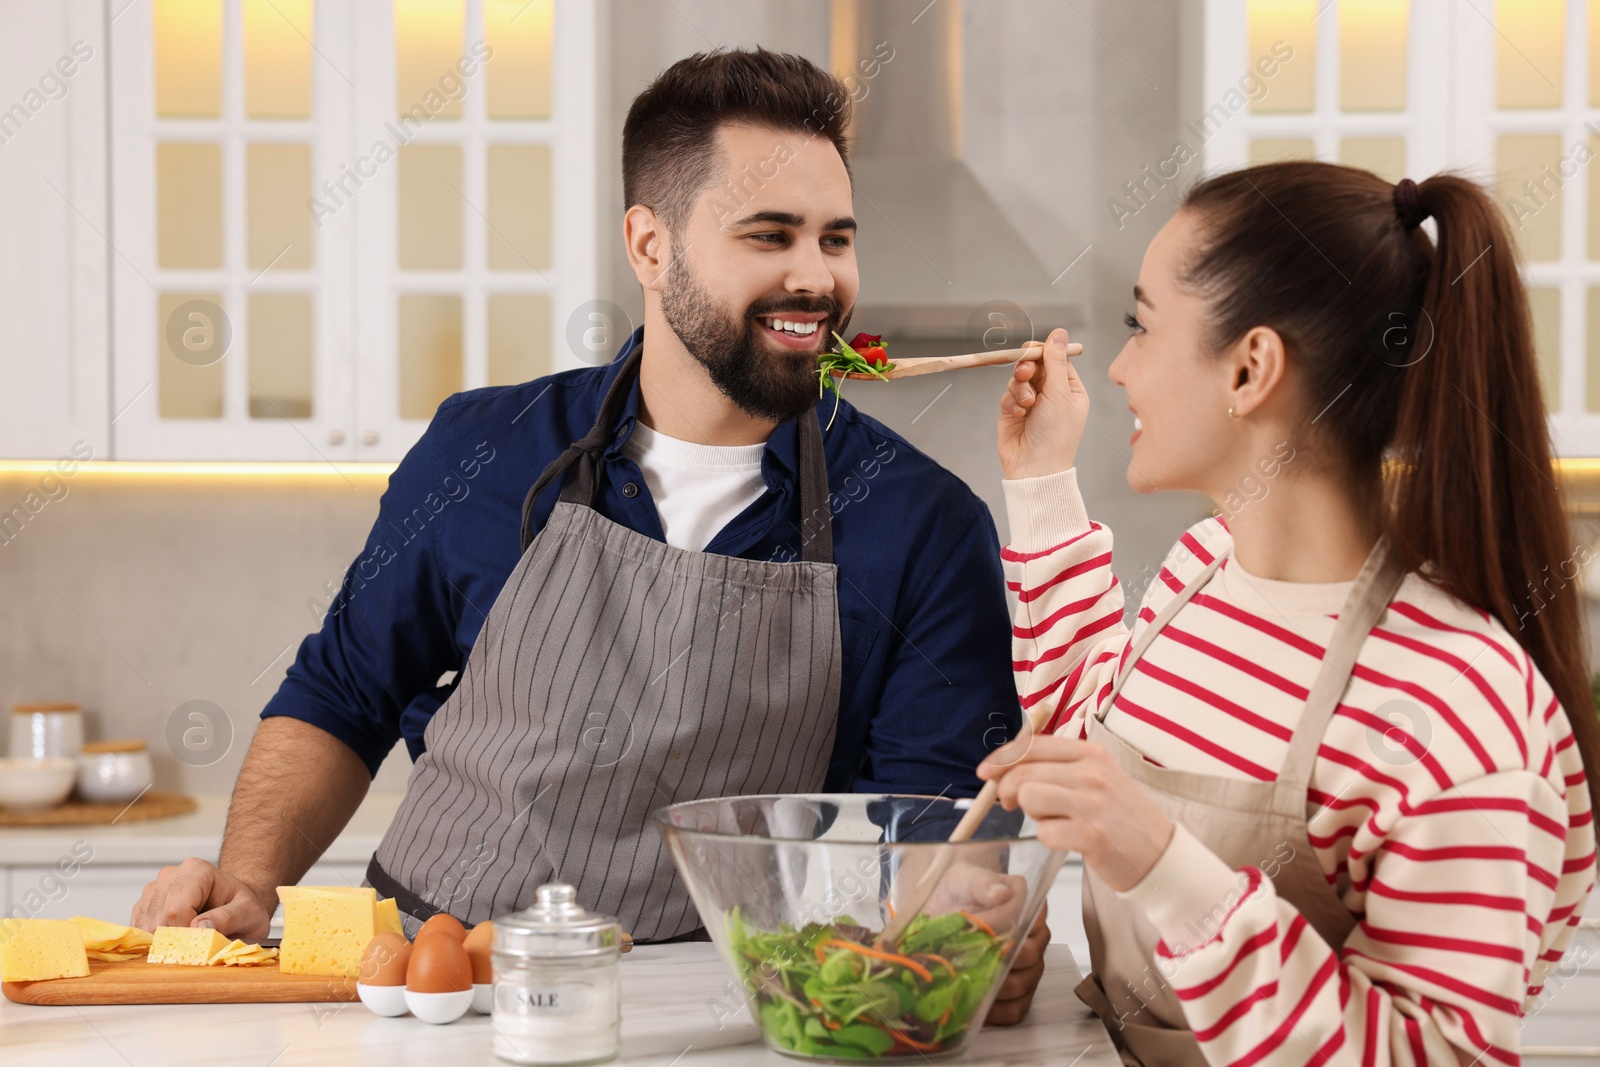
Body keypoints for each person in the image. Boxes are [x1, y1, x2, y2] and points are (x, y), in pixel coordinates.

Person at [132, 48, 1047, 1022]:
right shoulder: (482, 451)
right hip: (427, 990)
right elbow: (344, 690)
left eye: (835, 238)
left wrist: (953, 934)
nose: (814, 277)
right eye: (770, 235)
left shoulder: (923, 526)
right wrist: (248, 879)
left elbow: (922, 836)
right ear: (649, 245)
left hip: (717, 1010)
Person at [980, 162, 1600, 1064]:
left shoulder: (1457, 708)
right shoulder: (1204, 567)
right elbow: (1089, 729)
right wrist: (1040, 485)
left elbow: (1435, 1053)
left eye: (1140, 327)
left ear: (1250, 367)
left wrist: (1167, 868)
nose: (1115, 368)